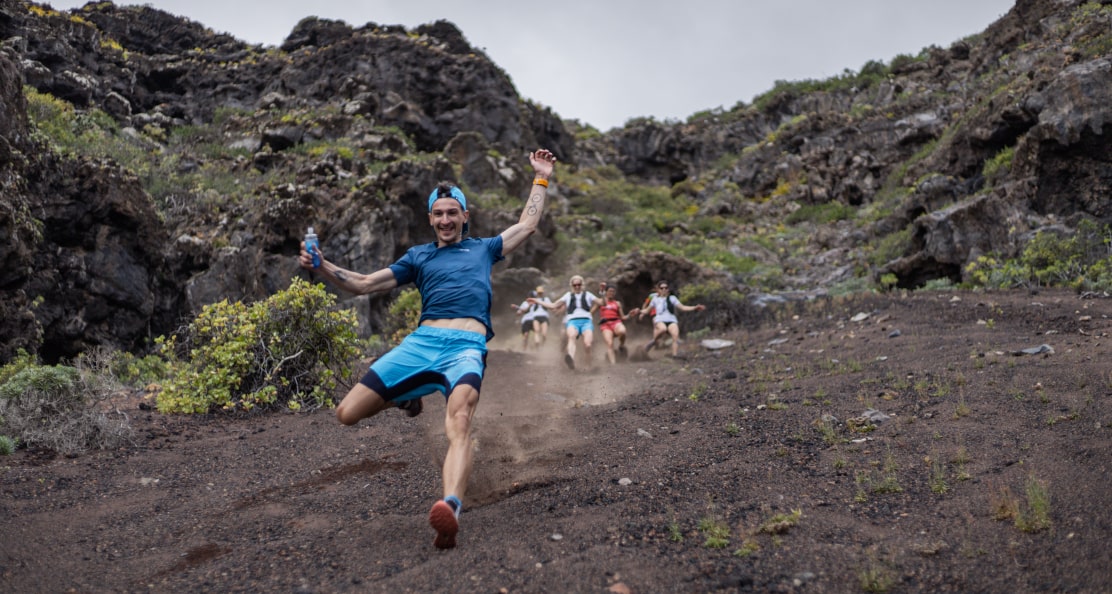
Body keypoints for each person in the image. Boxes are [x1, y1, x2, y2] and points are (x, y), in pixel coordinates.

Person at [299, 148, 557, 549]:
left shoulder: (484, 248)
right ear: (431, 219)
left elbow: (527, 224)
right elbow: (364, 284)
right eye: (439, 213)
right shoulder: (418, 257)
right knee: (347, 413)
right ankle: (407, 397)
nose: (446, 219)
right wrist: (321, 266)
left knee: (459, 423)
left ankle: (450, 507)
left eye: (453, 212)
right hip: (421, 344)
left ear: (464, 216)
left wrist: (540, 177)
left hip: (466, 348)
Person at [532, 274, 597, 370]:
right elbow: (555, 308)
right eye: (575, 285)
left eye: (579, 284)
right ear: (572, 286)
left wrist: (591, 312)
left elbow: (600, 302)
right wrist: (537, 302)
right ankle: (568, 356)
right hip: (569, 322)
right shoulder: (568, 297)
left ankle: (587, 363)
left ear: (582, 285)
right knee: (566, 336)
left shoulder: (587, 295)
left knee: (587, 343)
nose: (577, 287)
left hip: (584, 322)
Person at [639, 280, 706, 359]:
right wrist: (639, 312)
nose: (664, 290)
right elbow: (647, 310)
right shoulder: (654, 299)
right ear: (659, 289)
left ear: (668, 289)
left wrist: (694, 307)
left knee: (675, 336)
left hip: (671, 319)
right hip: (660, 319)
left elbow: (682, 307)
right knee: (662, 329)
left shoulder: (672, 298)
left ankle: (675, 355)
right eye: (662, 288)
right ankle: (654, 341)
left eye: (666, 288)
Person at [592, 284, 637, 365]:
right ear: (606, 292)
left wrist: (630, 315)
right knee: (609, 343)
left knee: (623, 331)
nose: (611, 293)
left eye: (613, 292)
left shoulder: (617, 303)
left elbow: (623, 317)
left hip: (616, 322)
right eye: (609, 291)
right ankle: (613, 364)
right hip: (605, 325)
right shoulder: (600, 302)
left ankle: (621, 346)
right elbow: (591, 313)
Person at [511, 286, 550, 350]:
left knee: (538, 333)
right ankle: (524, 348)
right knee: (526, 335)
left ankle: (536, 347)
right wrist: (519, 308)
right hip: (526, 321)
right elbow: (521, 311)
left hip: (534, 320)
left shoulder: (538, 301)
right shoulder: (525, 303)